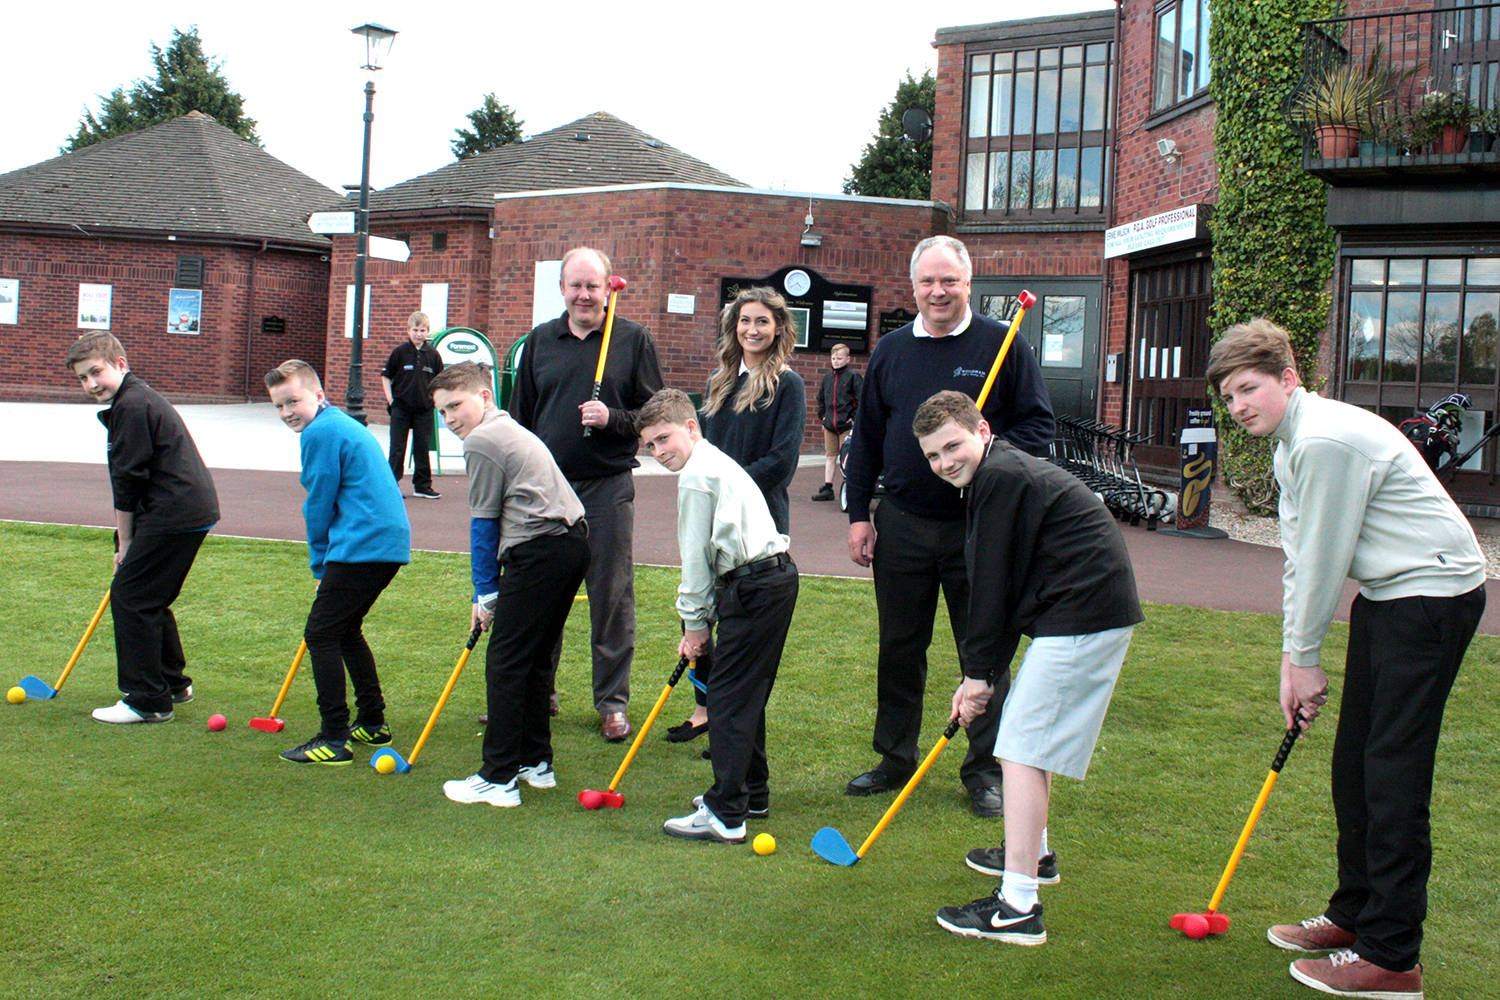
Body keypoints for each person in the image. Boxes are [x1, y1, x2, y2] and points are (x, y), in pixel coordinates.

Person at [1207, 319, 1486, 999]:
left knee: (1391, 769)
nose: (1240, 406)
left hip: (1431, 597)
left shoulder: (1325, 440)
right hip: (1391, 597)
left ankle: (1393, 957)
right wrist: (1290, 661)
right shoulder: (1291, 441)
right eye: (1230, 397)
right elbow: (1301, 557)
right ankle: (1355, 914)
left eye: (1249, 388)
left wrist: (1306, 658)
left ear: (1288, 378)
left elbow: (1328, 561)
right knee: (1354, 758)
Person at [910, 391, 1141, 947]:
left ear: (981, 430)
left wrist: (978, 677)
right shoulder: (997, 473)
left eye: (952, 447)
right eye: (933, 457)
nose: (945, 464)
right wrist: (983, 673)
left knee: (1019, 747)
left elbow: (990, 588)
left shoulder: (1002, 479)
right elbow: (1002, 585)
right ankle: (1034, 856)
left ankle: (1018, 907)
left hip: (1085, 612)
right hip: (1075, 609)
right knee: (1024, 741)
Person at [842, 235, 1054, 817]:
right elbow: (866, 442)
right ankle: (894, 757)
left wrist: (987, 447)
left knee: (981, 653)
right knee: (900, 646)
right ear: (913, 288)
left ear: (968, 283)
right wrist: (859, 513)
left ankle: (984, 771)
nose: (938, 292)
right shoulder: (889, 350)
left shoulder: (1002, 343)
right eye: (928, 282)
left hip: (980, 526)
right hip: (903, 524)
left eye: (949, 281)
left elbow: (1039, 427)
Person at [509, 247, 663, 742]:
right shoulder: (539, 341)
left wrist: (613, 419)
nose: (584, 295)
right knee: (540, 595)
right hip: (547, 491)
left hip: (607, 487)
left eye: (592, 286)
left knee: (611, 597)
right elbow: (520, 421)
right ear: (562, 289)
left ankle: (612, 704)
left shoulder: (633, 340)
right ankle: (537, 692)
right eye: (575, 285)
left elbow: (656, 415)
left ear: (607, 287)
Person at [638, 389, 799, 844]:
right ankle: (752, 791)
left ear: (691, 428)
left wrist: (693, 625)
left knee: (727, 697)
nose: (659, 451)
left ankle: (727, 812)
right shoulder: (716, 462)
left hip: (755, 586)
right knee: (744, 692)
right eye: (649, 445)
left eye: (664, 438)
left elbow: (695, 560)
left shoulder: (696, 477)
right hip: (771, 580)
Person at [430, 362, 590, 808]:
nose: (450, 419)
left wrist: (486, 591)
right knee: (535, 658)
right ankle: (534, 762)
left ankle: (498, 777)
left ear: (485, 397)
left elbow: (484, 523)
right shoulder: (507, 427)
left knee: (505, 661)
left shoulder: (482, 440)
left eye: (456, 405)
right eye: (442, 412)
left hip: (540, 551)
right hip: (570, 545)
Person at [667, 287, 805, 744]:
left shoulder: (788, 385)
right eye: (745, 320)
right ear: (733, 326)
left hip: (758, 527)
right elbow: (702, 454)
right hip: (712, 519)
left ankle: (735, 730)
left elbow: (782, 462)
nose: (753, 329)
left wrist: (726, 491)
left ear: (779, 328)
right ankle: (706, 711)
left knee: (743, 639)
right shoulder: (717, 382)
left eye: (763, 321)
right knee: (703, 615)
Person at [66, 333, 220, 725]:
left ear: (120, 364)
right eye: (82, 378)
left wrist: (126, 541)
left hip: (174, 511)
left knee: (132, 596)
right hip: (187, 508)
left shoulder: (131, 405)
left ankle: (147, 700)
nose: (90, 384)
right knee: (151, 595)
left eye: (96, 372)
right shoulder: (134, 398)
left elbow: (127, 481)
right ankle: (172, 683)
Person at [265, 360, 411, 765]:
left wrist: (319, 566)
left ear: (318, 395)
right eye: (278, 406)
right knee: (344, 630)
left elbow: (319, 504)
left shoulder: (322, 431)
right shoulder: (339, 424)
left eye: (292, 401)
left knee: (321, 634)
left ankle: (333, 737)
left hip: (363, 545)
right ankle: (372, 721)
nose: (287, 412)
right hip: (384, 543)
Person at [381, 310, 445, 499]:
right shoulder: (399, 352)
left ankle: (422, 486)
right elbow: (386, 376)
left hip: (424, 409)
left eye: (423, 330)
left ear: (428, 332)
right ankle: (391, 486)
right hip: (401, 408)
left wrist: (435, 401)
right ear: (408, 331)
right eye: (415, 330)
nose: (419, 334)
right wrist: (391, 401)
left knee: (422, 447)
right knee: (397, 448)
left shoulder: (433, 355)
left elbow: (440, 381)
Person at [812, 342, 860, 502]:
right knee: (830, 456)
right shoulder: (827, 378)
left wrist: (853, 417)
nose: (836, 361)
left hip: (846, 425)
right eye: (833, 358)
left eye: (839, 358)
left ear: (848, 359)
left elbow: (860, 400)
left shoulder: (853, 377)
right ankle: (827, 487)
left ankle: (852, 486)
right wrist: (823, 416)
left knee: (848, 458)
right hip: (830, 425)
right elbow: (821, 399)